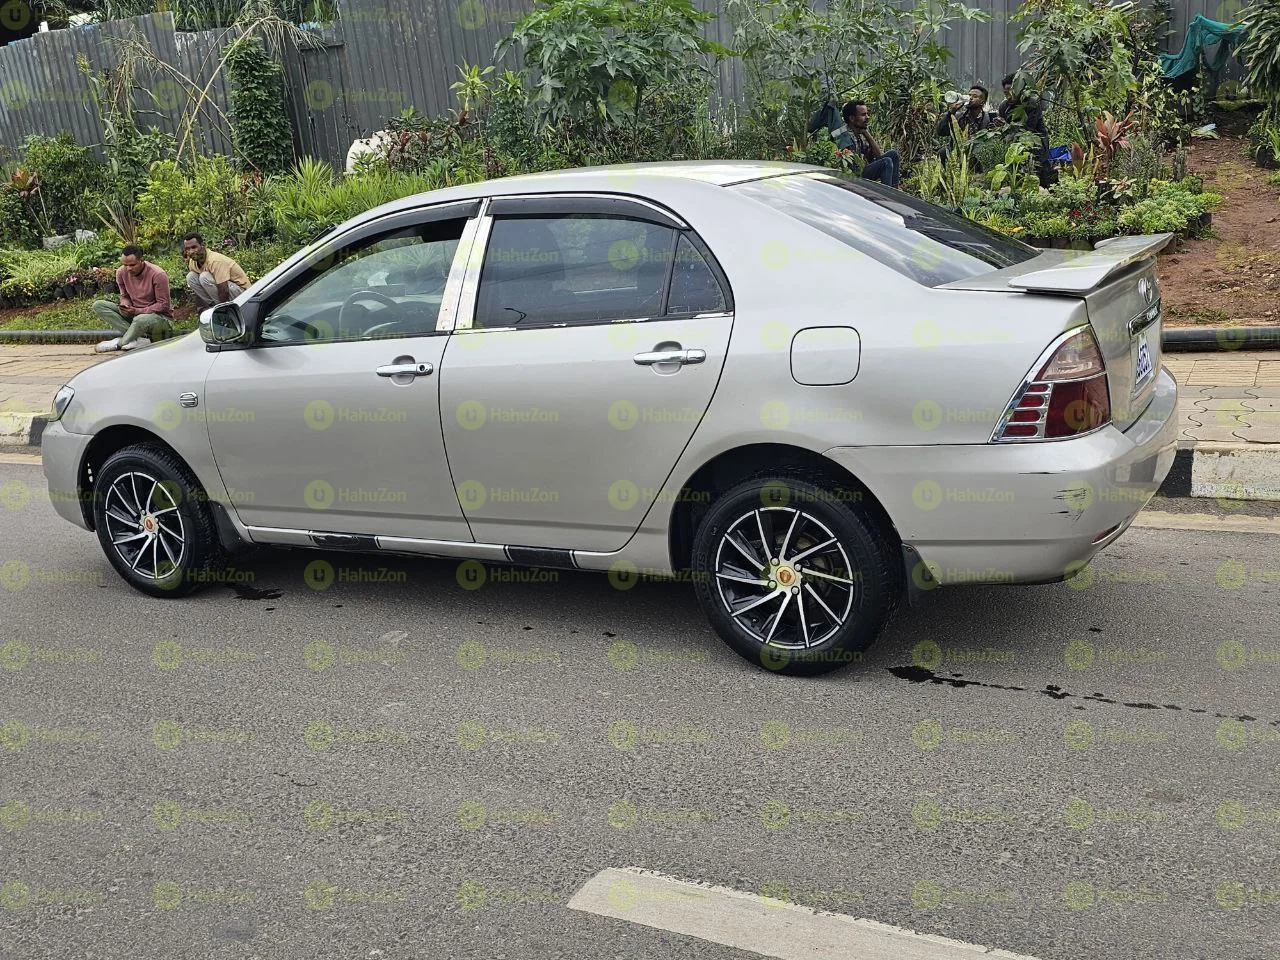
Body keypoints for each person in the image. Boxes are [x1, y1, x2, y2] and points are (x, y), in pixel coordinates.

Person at [92, 246, 173, 353]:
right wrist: (125, 305)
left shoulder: (158, 274)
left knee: (140, 319)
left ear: (141, 260)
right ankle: (139, 339)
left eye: (132, 265)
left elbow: (163, 305)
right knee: (99, 305)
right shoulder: (121, 272)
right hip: (135, 314)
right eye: (125, 265)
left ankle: (120, 343)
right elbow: (124, 295)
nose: (129, 268)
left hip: (159, 318)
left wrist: (137, 311)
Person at [994, 72, 1056, 187]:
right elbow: (1002, 131)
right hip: (1013, 146)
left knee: (1041, 175)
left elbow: (1028, 129)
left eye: (1012, 92)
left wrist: (1006, 126)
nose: (1009, 97)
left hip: (1036, 144)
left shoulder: (1031, 103)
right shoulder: (1004, 106)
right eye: (1006, 93)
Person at [836, 100, 900, 188]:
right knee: (886, 162)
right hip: (854, 174)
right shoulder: (842, 134)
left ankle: (894, 191)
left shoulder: (860, 131)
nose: (867, 117)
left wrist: (867, 134)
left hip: (862, 169)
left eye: (867, 114)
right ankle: (887, 195)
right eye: (863, 115)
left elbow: (878, 156)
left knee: (893, 154)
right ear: (852, 118)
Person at [182, 232, 249, 309]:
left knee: (204, 277)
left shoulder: (215, 261)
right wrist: (200, 309)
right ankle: (213, 306)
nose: (191, 251)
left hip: (244, 294)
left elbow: (224, 290)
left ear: (202, 245)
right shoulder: (193, 262)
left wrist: (224, 311)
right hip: (225, 293)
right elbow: (198, 288)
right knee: (191, 277)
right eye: (187, 249)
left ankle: (222, 308)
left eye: (194, 247)